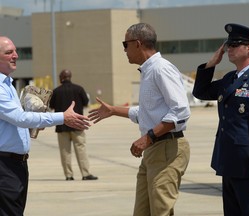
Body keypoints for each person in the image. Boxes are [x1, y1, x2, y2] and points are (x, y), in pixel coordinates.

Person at [88, 23, 190, 216]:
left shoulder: (161, 69)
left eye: (125, 44)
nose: (124, 50)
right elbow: (146, 113)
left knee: (161, 211)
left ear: (137, 43)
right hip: (155, 149)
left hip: (167, 147)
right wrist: (112, 110)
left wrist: (148, 137)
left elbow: (180, 110)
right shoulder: (149, 71)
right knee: (142, 212)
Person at [192, 23, 249, 216]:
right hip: (229, 162)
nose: (229, 49)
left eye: (235, 44)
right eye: (227, 45)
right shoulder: (230, 78)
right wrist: (211, 64)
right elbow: (201, 92)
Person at [0, 36, 90, 215]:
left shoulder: (8, 84)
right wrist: (62, 117)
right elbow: (19, 117)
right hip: (5, 166)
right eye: (9, 52)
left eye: (16, 51)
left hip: (17, 165)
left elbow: (15, 122)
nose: (16, 55)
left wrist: (32, 125)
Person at [49, 69, 98, 181]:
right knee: (81, 149)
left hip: (61, 126)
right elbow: (86, 103)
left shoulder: (56, 91)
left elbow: (51, 107)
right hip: (77, 125)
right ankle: (85, 174)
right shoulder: (79, 89)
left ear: (61, 77)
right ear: (70, 77)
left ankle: (69, 175)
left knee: (65, 151)